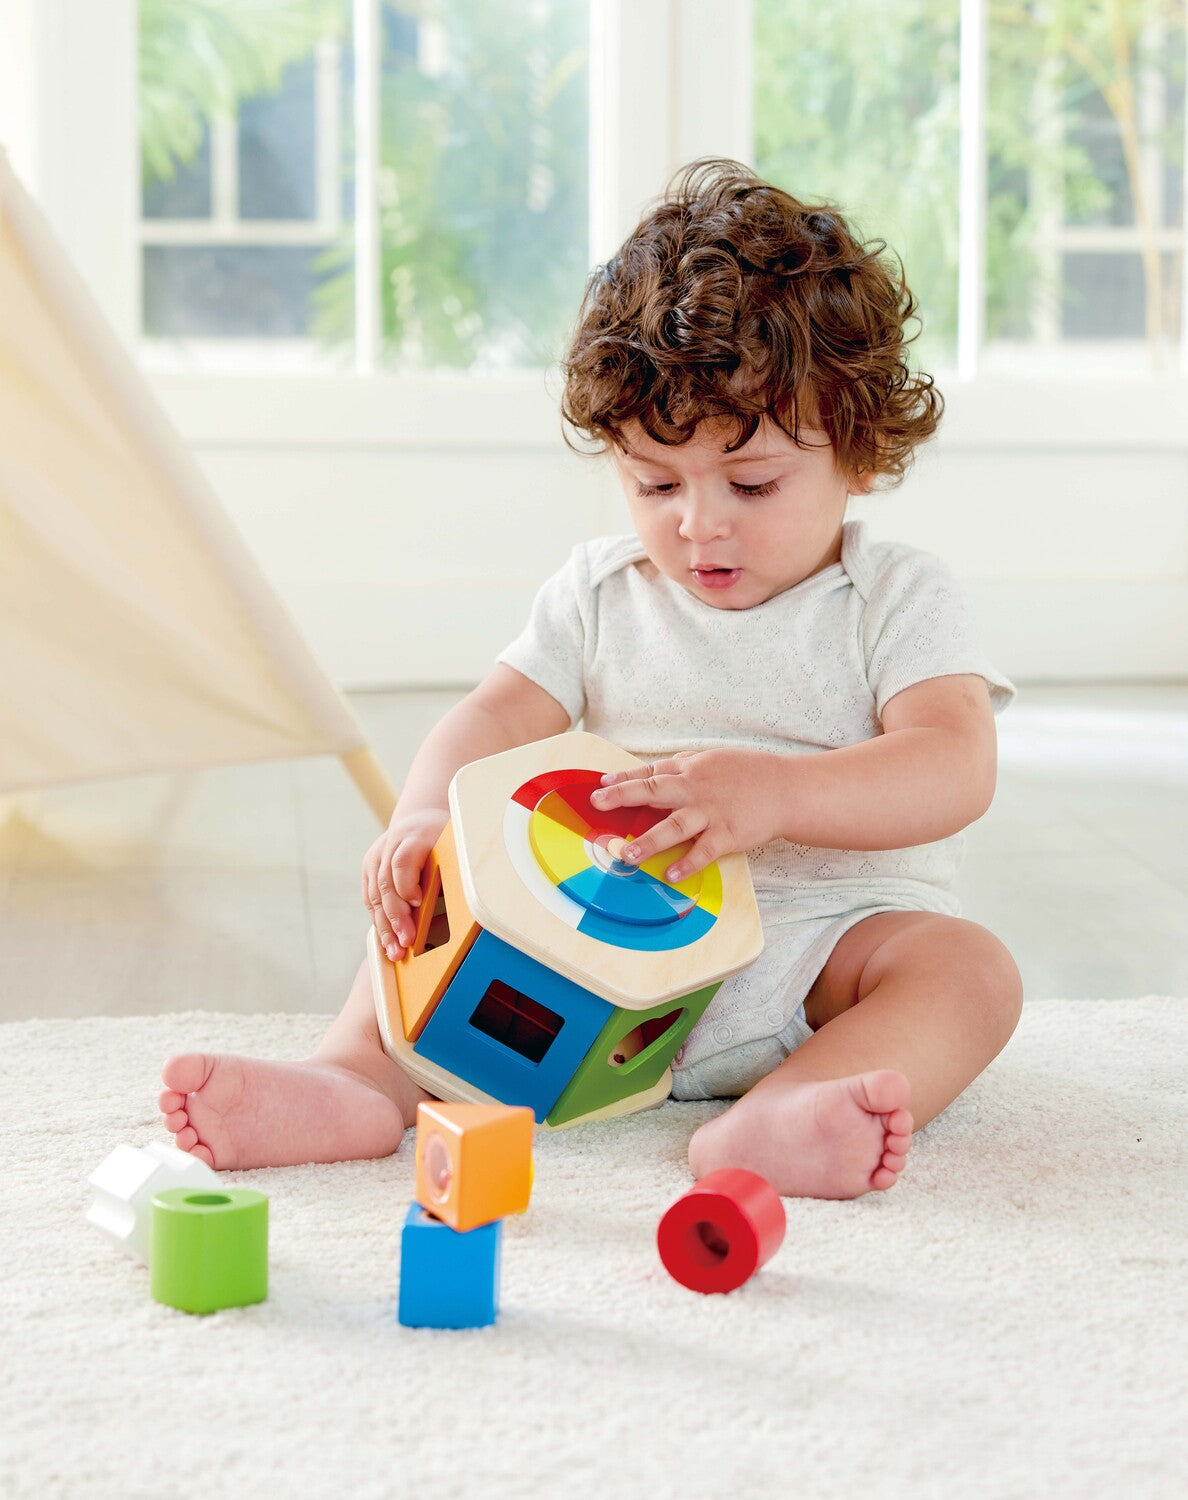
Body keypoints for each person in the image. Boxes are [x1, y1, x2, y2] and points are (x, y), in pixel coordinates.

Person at [158, 159, 1023, 1200]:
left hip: (821, 957)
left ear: (863, 450)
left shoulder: (894, 596)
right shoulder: (602, 591)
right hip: (587, 951)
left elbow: (954, 764)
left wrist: (781, 794)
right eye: (655, 483)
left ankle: (784, 1112)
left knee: (971, 972)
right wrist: (427, 813)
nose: (698, 523)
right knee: (426, 900)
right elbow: (496, 711)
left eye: (750, 483)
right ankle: (354, 1079)